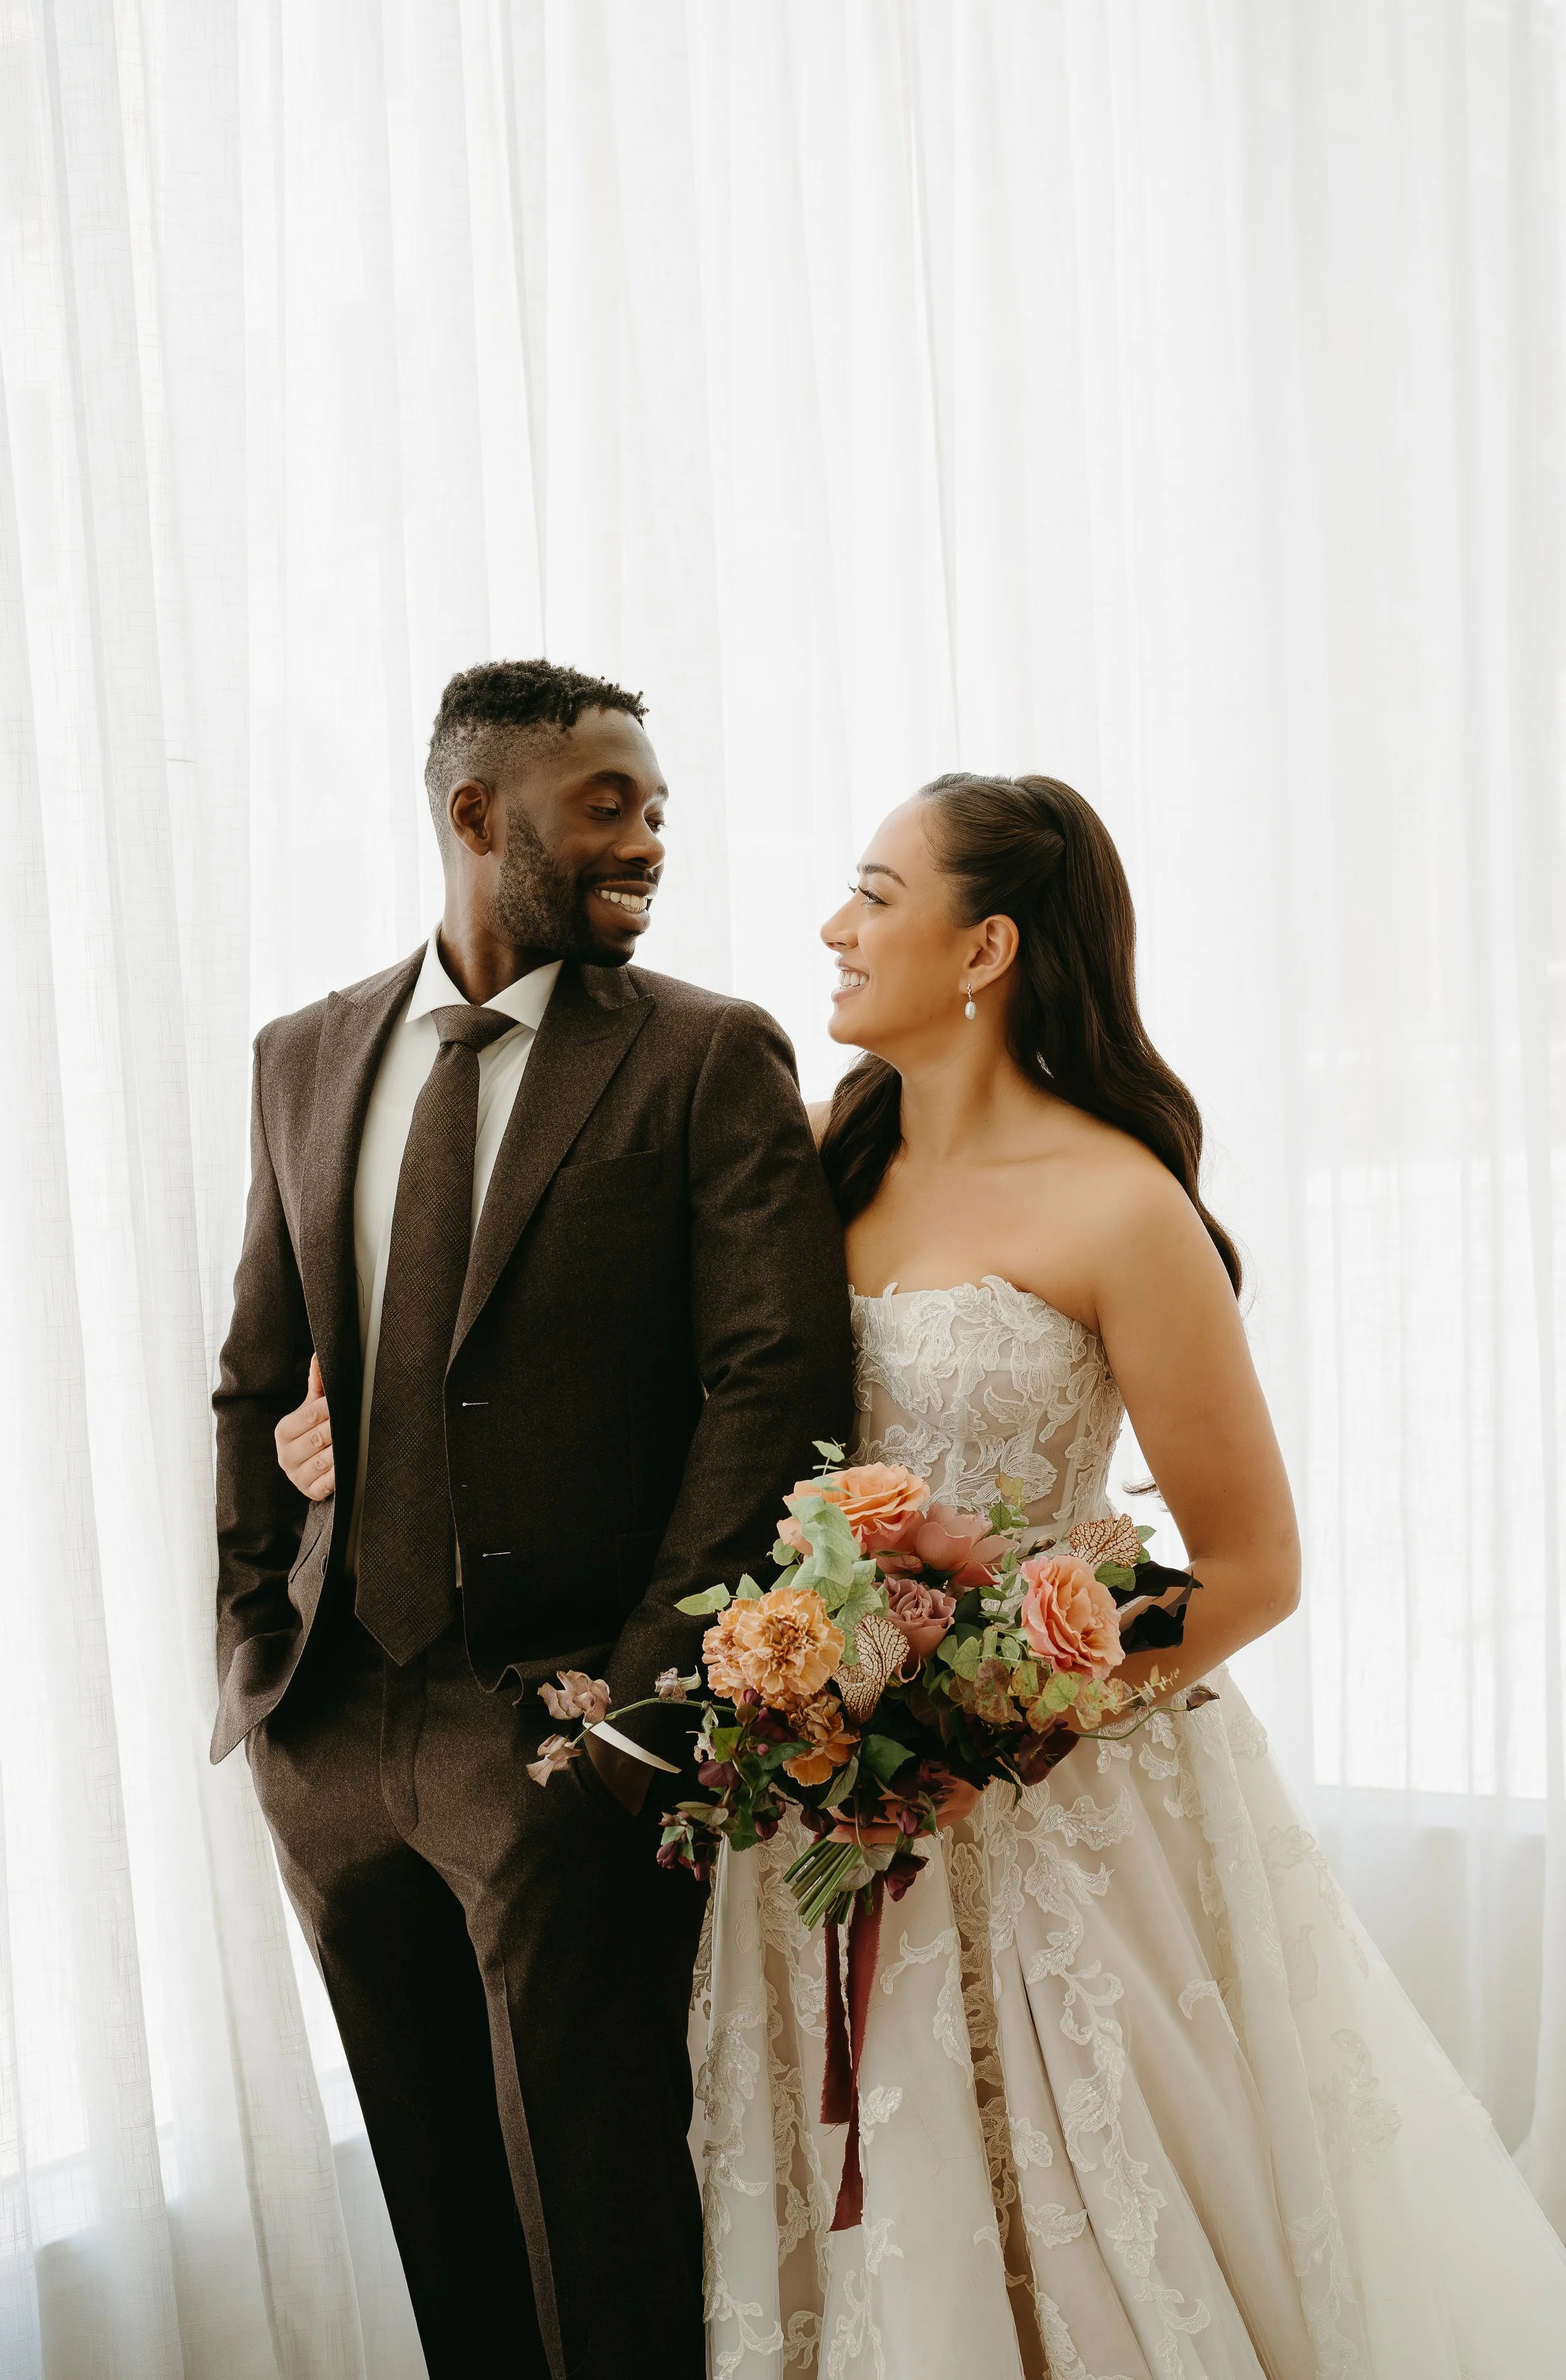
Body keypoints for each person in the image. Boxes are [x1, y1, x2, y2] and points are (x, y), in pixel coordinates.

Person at [690, 773, 1566, 2377]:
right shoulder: (811, 1161)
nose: (834, 924)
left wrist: (981, 1725)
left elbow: (1252, 1564)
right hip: (818, 1787)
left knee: (1105, 2225)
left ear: (985, 948)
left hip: (1049, 1800)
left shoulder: (1117, 1202)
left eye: (874, 893)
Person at [213, 656, 854, 2380]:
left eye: (656, 806)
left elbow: (772, 1396)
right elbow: (254, 1372)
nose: (649, 836)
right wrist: (254, 1653)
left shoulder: (706, 1056)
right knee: (439, 2213)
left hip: (568, 1737)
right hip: (333, 1729)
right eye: (608, 804)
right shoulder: (302, 1054)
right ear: (476, 815)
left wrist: (637, 1720)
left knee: (606, 2220)